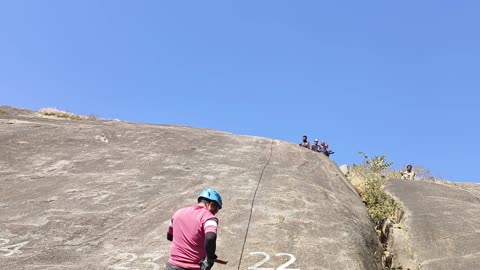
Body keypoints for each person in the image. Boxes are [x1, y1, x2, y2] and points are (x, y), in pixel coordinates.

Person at [167, 188, 222, 270]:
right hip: (192, 267)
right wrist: (209, 259)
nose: (214, 214)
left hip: (172, 266)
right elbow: (210, 237)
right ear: (212, 204)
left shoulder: (178, 213)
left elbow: (170, 236)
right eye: (216, 210)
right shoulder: (209, 217)